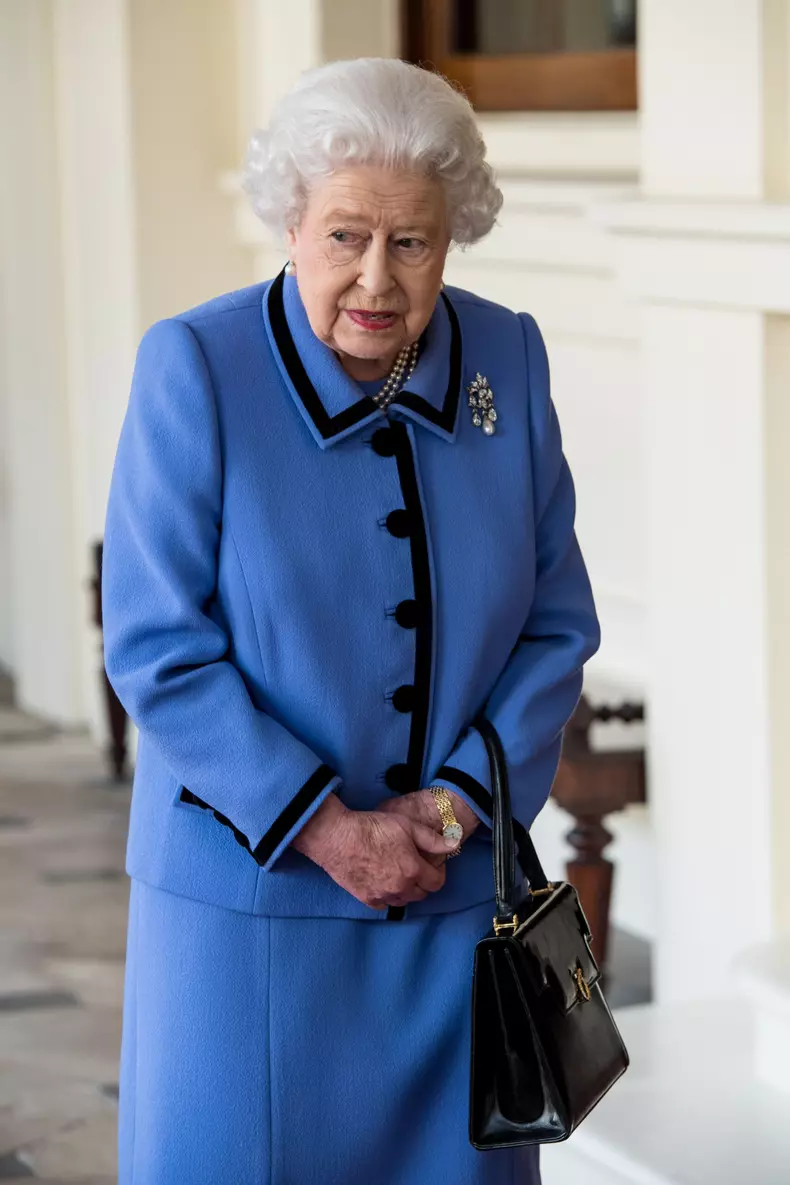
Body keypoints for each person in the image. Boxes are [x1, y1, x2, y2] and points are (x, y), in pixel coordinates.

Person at [103, 56, 600, 1185]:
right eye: (345, 236)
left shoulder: (507, 359)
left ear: (453, 234)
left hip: (454, 906)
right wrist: (328, 828)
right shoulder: (198, 367)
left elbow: (555, 625)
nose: (377, 276)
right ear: (290, 223)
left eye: (411, 241)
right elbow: (156, 643)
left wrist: (457, 807)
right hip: (250, 915)